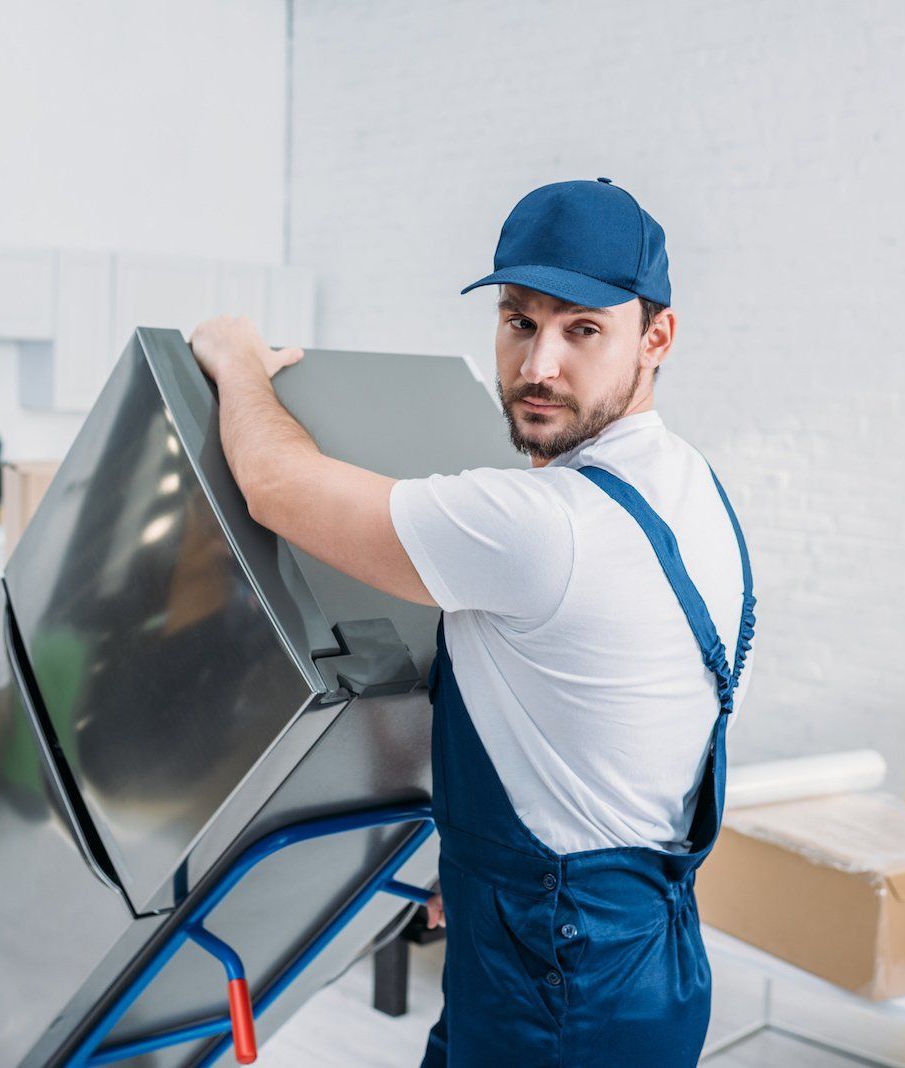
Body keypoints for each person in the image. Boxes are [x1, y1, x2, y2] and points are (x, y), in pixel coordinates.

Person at [189, 177, 755, 1065]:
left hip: (556, 986)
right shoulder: (693, 489)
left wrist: (236, 362)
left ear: (658, 337)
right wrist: (492, 874)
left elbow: (274, 487)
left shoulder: (543, 527)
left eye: (584, 330)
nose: (539, 367)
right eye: (520, 321)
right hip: (634, 948)